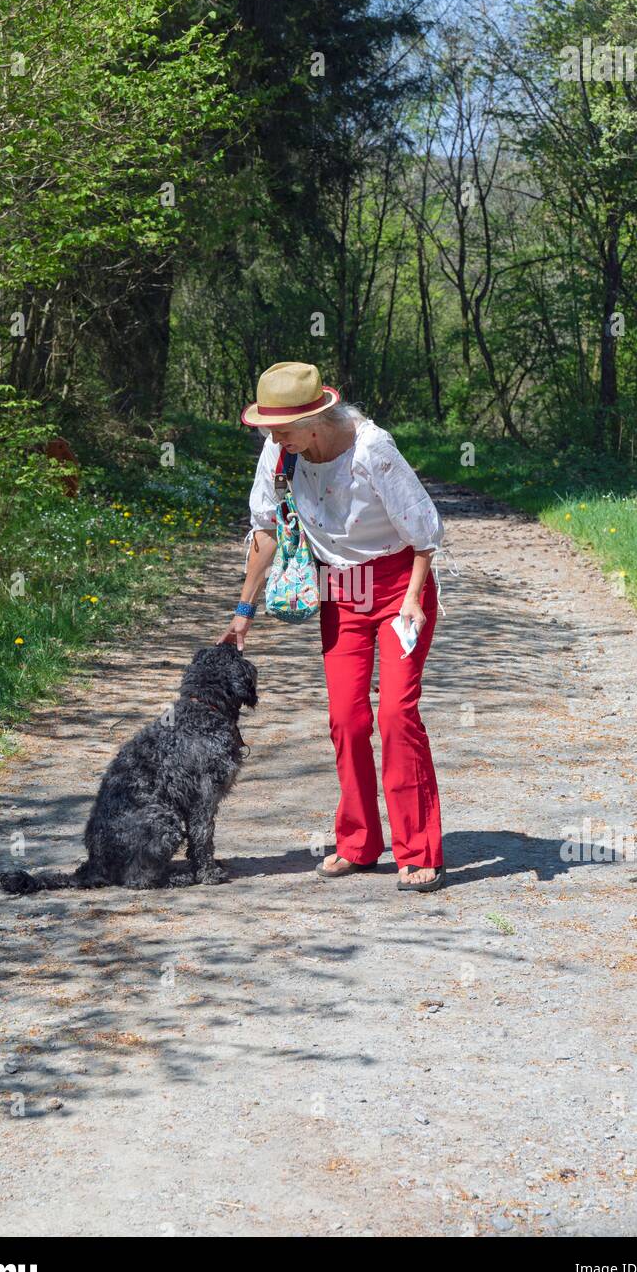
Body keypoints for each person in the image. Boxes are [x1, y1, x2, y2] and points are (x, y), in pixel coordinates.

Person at [219, 361, 447, 893]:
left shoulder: (372, 450)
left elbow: (425, 532)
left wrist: (413, 597)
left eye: (280, 429)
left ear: (316, 420)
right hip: (340, 593)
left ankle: (418, 850)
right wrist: (242, 614)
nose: (272, 439)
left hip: (397, 588)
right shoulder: (281, 454)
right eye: (269, 429)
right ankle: (359, 843)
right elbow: (265, 529)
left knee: (394, 714)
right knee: (346, 720)